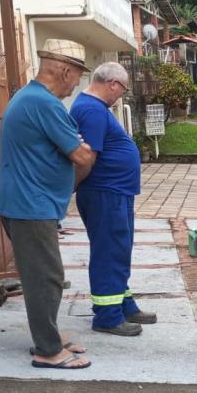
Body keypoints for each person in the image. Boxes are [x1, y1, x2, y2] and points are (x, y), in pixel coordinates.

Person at [0, 39, 96, 370]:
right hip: (29, 204)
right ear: (64, 70)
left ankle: (48, 335)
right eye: (77, 76)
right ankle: (48, 350)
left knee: (43, 274)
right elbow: (81, 155)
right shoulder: (45, 104)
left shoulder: (30, 98)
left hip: (25, 201)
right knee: (45, 277)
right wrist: (86, 153)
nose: (76, 84)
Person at [70, 62, 155, 337]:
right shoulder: (92, 110)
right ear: (113, 84)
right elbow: (86, 159)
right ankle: (107, 316)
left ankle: (123, 304)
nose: (121, 95)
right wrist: (70, 189)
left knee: (119, 249)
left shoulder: (96, 109)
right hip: (105, 193)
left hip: (115, 192)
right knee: (109, 251)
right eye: (123, 90)